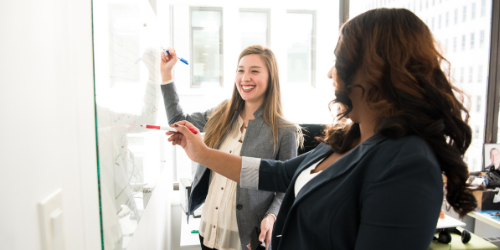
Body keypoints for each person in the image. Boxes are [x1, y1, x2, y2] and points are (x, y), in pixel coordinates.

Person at [166, 8, 477, 250]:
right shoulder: (347, 138)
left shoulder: (408, 163)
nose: (330, 73)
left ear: (375, 69)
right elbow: (278, 174)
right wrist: (203, 154)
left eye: (339, 60)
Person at [160, 45, 300, 250]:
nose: (245, 77)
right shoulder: (223, 112)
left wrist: (271, 217)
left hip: (247, 238)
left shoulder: (285, 130)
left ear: (271, 77)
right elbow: (178, 121)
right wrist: (166, 73)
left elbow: (286, 188)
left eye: (254, 71)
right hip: (209, 229)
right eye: (240, 70)